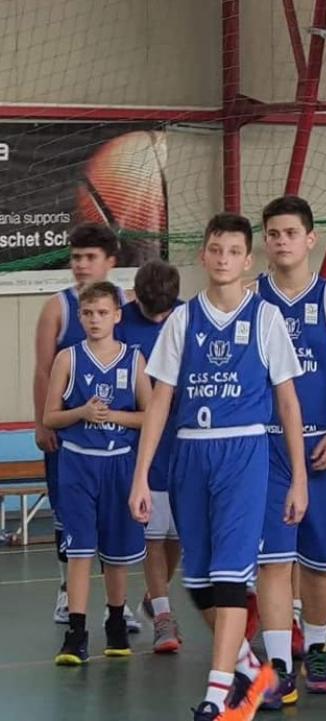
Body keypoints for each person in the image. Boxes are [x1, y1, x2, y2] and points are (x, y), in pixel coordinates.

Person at [129, 213, 308, 721]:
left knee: (230, 579)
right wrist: (141, 475)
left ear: (247, 260)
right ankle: (250, 667)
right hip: (189, 454)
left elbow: (288, 402)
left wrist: (298, 477)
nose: (223, 259)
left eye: (233, 251)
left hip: (243, 451)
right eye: (216, 249)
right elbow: (160, 401)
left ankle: (219, 694)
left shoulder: (265, 318)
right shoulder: (183, 320)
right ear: (203, 255)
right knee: (200, 582)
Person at [255, 196, 326, 706]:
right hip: (267, 448)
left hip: (322, 443)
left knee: (320, 562)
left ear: (310, 239)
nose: (282, 241)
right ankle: (279, 665)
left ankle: (317, 647)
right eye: (274, 233)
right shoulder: (251, 299)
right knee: (273, 562)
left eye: (290, 233)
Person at [34, 223, 140, 631]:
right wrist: (43, 422)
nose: (80, 265)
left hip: (119, 443)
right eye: (75, 257)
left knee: (118, 524)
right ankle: (67, 593)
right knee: (70, 518)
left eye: (89, 257)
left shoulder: (128, 306)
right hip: (72, 435)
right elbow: (43, 370)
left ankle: (119, 606)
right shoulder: (58, 307)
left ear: (110, 261)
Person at [44, 281, 151, 664]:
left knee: (117, 553)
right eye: (88, 313)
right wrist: (82, 412)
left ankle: (116, 622)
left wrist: (114, 416)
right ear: (80, 317)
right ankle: (76, 632)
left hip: (119, 463)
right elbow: (50, 417)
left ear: (117, 316)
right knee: (80, 550)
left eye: (102, 312)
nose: (95, 319)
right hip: (78, 463)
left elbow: (150, 416)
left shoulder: (133, 359)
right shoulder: (67, 359)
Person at [117, 259, 183, 653]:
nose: (158, 319)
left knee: (178, 534)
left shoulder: (190, 317)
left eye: (164, 312)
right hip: (143, 442)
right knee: (153, 532)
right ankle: (162, 614)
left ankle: (155, 596)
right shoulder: (121, 322)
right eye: (150, 312)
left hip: (187, 439)